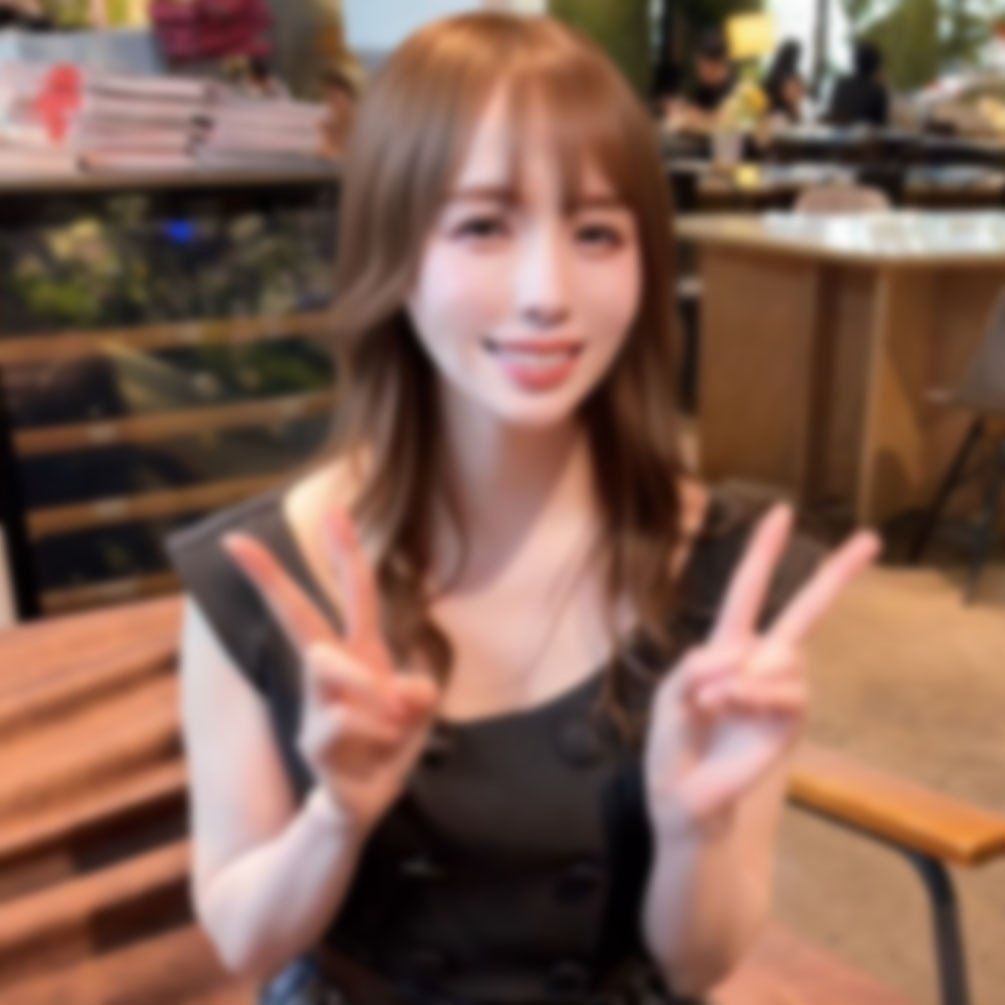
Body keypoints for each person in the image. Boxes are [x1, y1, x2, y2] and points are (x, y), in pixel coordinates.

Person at [166, 12, 880, 1005]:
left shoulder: (722, 572)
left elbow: (698, 965)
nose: (548, 293)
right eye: (483, 226)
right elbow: (244, 938)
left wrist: (693, 825)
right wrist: (336, 816)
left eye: (596, 233)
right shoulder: (259, 578)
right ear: (391, 252)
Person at [674, 31, 738, 132]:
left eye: (709, 68)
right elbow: (686, 112)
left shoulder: (738, 92)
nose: (701, 71)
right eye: (700, 66)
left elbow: (729, 127)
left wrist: (701, 120)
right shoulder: (699, 88)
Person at [826, 40, 890, 128]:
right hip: (865, 136)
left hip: (839, 136)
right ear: (875, 65)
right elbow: (881, 127)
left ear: (854, 62)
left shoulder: (840, 86)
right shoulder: (877, 92)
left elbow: (833, 117)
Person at [761, 39, 806, 126]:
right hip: (784, 122)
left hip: (767, 121)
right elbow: (793, 103)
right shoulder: (791, 78)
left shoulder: (771, 75)